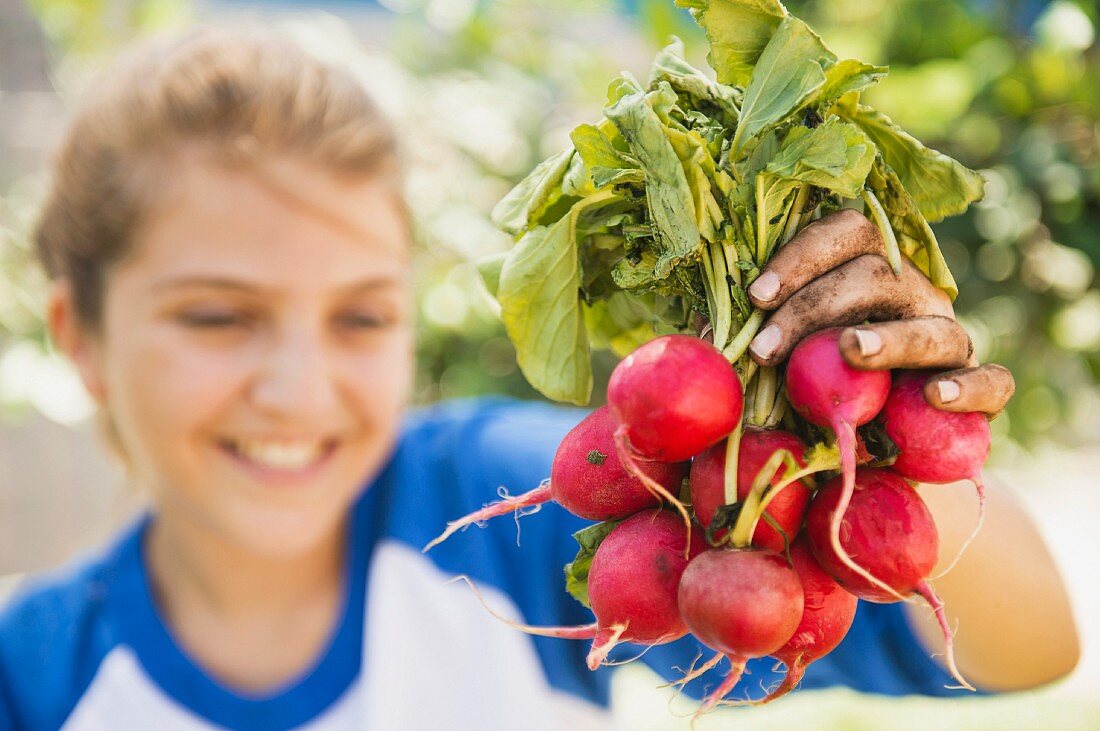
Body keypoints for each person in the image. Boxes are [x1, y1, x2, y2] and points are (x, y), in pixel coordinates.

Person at [0, 23, 1079, 731]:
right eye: (218, 316)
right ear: (81, 334)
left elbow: (1022, 644)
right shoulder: (32, 673)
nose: (297, 386)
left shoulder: (480, 498)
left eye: (360, 315)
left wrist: (885, 410)